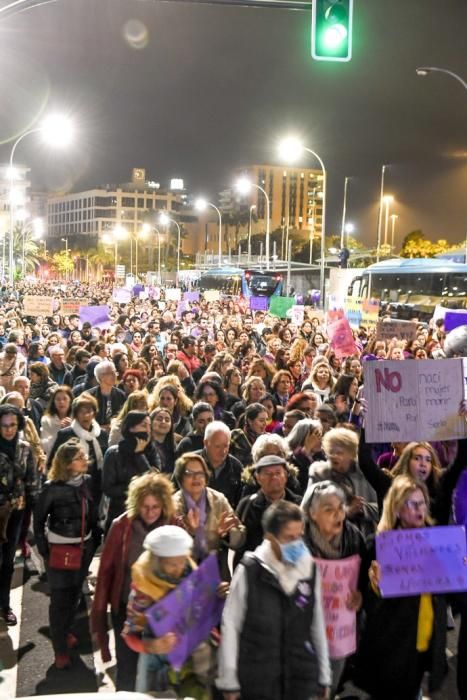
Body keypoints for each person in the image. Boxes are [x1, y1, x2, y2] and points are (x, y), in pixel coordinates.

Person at [216, 500, 331, 700]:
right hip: (258, 680)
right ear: (270, 538)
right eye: (289, 538)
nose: (296, 544)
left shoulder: (309, 569)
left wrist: (324, 675)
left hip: (299, 679)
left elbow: (317, 623)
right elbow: (231, 625)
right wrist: (229, 679)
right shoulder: (249, 571)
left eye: (299, 536)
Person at [354, 475, 447, 700]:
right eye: (411, 503)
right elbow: (363, 601)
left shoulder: (439, 543)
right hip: (393, 648)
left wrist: (459, 572)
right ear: (396, 508)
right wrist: (375, 586)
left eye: (422, 502)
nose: (419, 509)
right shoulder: (378, 546)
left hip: (425, 642)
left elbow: (450, 596)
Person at [91, 472, 176, 691]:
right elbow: (105, 574)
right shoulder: (121, 526)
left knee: (158, 674)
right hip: (126, 608)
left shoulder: (173, 525)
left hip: (162, 610)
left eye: (155, 507)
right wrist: (100, 622)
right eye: (145, 506)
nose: (150, 512)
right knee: (127, 669)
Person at [123, 525, 226, 698]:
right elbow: (129, 634)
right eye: (172, 564)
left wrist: (217, 596)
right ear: (156, 561)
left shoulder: (194, 577)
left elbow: (203, 615)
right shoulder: (143, 593)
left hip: (196, 664)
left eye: (182, 561)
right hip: (159, 669)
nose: (179, 568)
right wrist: (150, 646)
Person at [34, 439, 98, 668]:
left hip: (84, 547)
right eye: (79, 458)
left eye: (84, 456)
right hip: (59, 551)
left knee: (74, 597)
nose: (85, 461)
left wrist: (94, 541)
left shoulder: (88, 482)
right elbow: (39, 520)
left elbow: (93, 515)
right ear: (67, 463)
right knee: (60, 599)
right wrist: (45, 552)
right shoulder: (51, 488)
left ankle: (65, 631)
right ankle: (59, 648)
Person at [302, 480, 368, 696]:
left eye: (340, 508)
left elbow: (365, 578)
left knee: (330, 686)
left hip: (339, 632)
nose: (338, 515)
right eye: (329, 509)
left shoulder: (353, 537)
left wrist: (361, 596)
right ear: (312, 514)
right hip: (305, 635)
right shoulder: (297, 542)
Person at [172, 452, 245, 572]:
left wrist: (228, 533)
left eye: (200, 473)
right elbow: (172, 549)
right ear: (180, 478)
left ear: (206, 477)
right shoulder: (173, 505)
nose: (196, 478)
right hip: (184, 574)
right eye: (189, 474)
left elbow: (239, 540)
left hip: (216, 572)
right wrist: (191, 533)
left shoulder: (218, 499)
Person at [0, 404, 39, 625]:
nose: (8, 430)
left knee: (7, 561)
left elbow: (32, 481)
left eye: (12, 425)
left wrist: (35, 506)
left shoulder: (24, 448)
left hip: (16, 511)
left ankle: (4, 605)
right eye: (4, 425)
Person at [303, 427, 379, 539]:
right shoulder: (319, 475)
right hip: (328, 539)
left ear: (352, 454)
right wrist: (346, 511)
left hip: (363, 539)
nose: (334, 456)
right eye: (331, 452)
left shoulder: (366, 473)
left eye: (339, 452)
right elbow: (307, 511)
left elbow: (383, 509)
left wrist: (362, 508)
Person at [235, 454, 301, 567]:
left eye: (278, 473)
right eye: (268, 473)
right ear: (258, 477)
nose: (274, 477)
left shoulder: (299, 504)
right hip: (255, 571)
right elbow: (239, 544)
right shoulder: (247, 505)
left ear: (285, 476)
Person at [102, 410, 160, 528]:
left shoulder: (151, 452)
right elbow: (108, 489)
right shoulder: (114, 453)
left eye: (149, 426)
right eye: (144, 425)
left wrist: (139, 455)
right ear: (131, 428)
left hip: (146, 517)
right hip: (119, 514)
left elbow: (154, 482)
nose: (148, 430)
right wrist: (137, 488)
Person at [48, 393, 108, 504]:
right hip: (72, 487)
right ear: (75, 414)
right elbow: (53, 462)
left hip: (98, 487)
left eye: (89, 411)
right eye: (82, 411)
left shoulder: (102, 435)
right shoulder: (66, 435)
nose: (86, 415)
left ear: (94, 413)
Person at [198, 421, 243, 508]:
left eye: (226, 446)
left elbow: (240, 503)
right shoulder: (191, 463)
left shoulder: (236, 467)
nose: (223, 451)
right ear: (206, 443)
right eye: (218, 446)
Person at [287, 418, 324, 494]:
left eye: (321, 435)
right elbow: (300, 479)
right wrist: (306, 449)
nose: (321, 440)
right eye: (317, 436)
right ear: (303, 436)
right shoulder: (290, 456)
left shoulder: (319, 455)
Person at [87, 360, 126, 431]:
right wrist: (100, 428)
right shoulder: (89, 396)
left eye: (115, 372)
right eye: (111, 373)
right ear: (101, 376)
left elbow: (124, 417)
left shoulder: (121, 395)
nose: (114, 375)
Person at [40, 385, 73, 458]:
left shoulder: (77, 419)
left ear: (70, 401)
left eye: (65, 399)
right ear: (53, 402)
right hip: (54, 459)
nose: (61, 402)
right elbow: (45, 446)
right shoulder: (46, 420)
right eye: (58, 399)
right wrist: (60, 431)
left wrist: (72, 428)